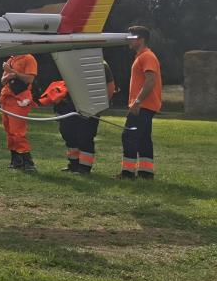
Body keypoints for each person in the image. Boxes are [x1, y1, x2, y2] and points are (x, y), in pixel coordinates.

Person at [37, 60, 114, 175]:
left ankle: (84, 167)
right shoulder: (71, 60)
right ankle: (73, 164)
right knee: (67, 132)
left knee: (85, 136)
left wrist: (102, 105)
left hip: (89, 106)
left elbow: (110, 85)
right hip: (70, 105)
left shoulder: (100, 63)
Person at [121, 26, 162, 180]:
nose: (128, 40)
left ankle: (127, 173)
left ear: (140, 39)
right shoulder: (141, 56)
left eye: (131, 37)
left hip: (143, 105)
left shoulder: (147, 56)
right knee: (144, 138)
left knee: (129, 136)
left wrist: (137, 102)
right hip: (144, 105)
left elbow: (150, 80)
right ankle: (146, 173)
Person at [0, 52, 38, 172]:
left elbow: (29, 79)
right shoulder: (10, 59)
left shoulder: (28, 58)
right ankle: (16, 161)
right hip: (6, 99)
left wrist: (12, 72)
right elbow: (2, 81)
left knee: (17, 131)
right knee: (9, 130)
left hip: (20, 99)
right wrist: (8, 75)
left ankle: (28, 163)